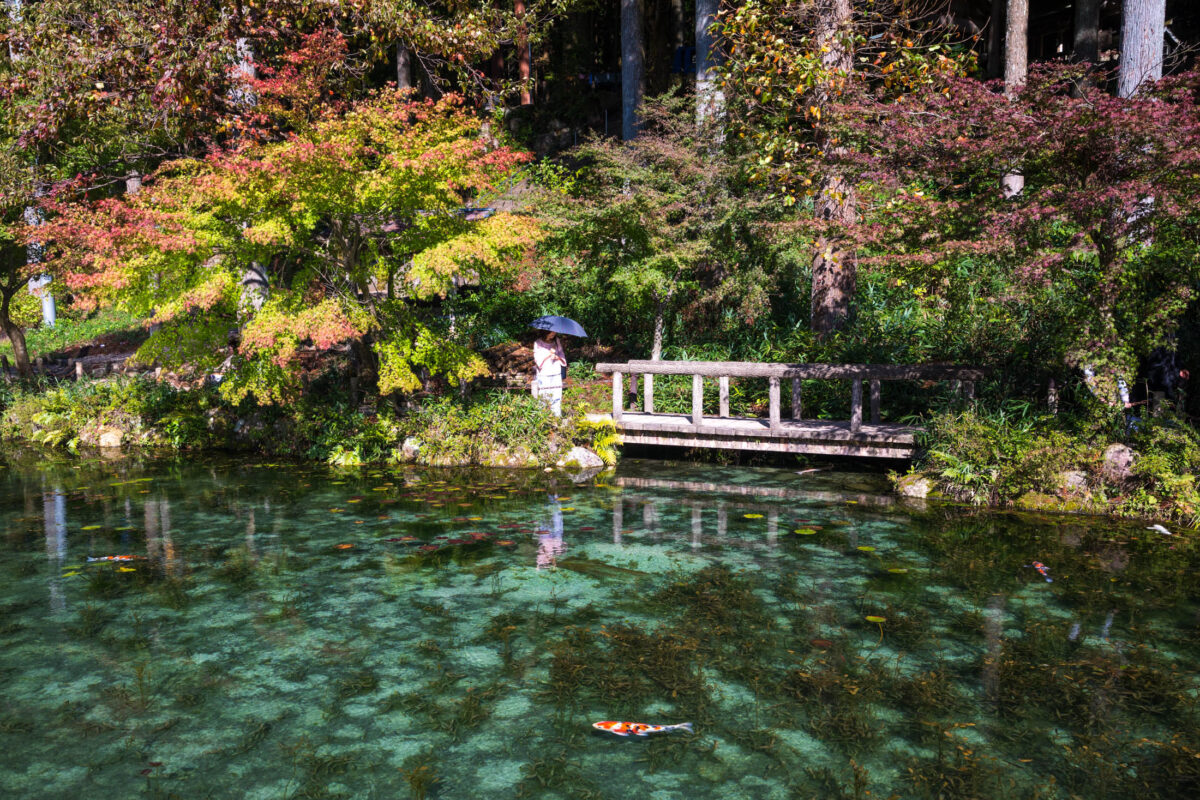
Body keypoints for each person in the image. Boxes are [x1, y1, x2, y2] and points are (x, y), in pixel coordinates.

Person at [532, 331, 567, 417]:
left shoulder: (556, 341)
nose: (553, 334)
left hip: (556, 371)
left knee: (557, 395)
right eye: (551, 332)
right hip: (544, 373)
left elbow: (561, 353)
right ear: (546, 332)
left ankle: (556, 417)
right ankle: (542, 418)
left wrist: (557, 357)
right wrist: (549, 354)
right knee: (544, 396)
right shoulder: (538, 343)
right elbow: (537, 358)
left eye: (554, 332)